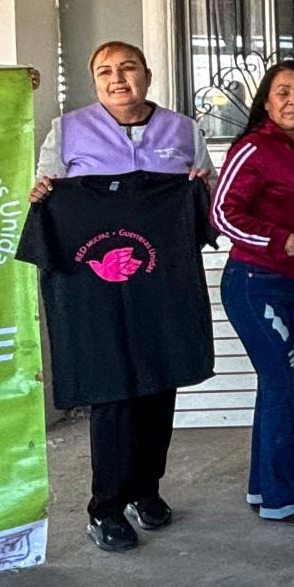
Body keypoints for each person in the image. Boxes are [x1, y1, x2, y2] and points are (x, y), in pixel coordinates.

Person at [29, 40, 212, 552]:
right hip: (96, 292)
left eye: (127, 68)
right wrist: (43, 195)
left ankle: (145, 491)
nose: (117, 78)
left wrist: (199, 186)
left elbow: (204, 201)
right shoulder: (67, 131)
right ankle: (105, 506)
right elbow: (48, 189)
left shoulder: (183, 130)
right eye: (105, 71)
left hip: (159, 284)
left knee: (159, 385)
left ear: (147, 75)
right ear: (94, 82)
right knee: (112, 393)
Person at [213, 60, 294, 526]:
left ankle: (266, 488)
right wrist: (278, 238)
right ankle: (287, 499)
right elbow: (223, 213)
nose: (293, 101)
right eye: (283, 92)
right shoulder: (254, 148)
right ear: (266, 101)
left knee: (275, 385)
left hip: (293, 285)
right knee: (283, 383)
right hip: (255, 283)